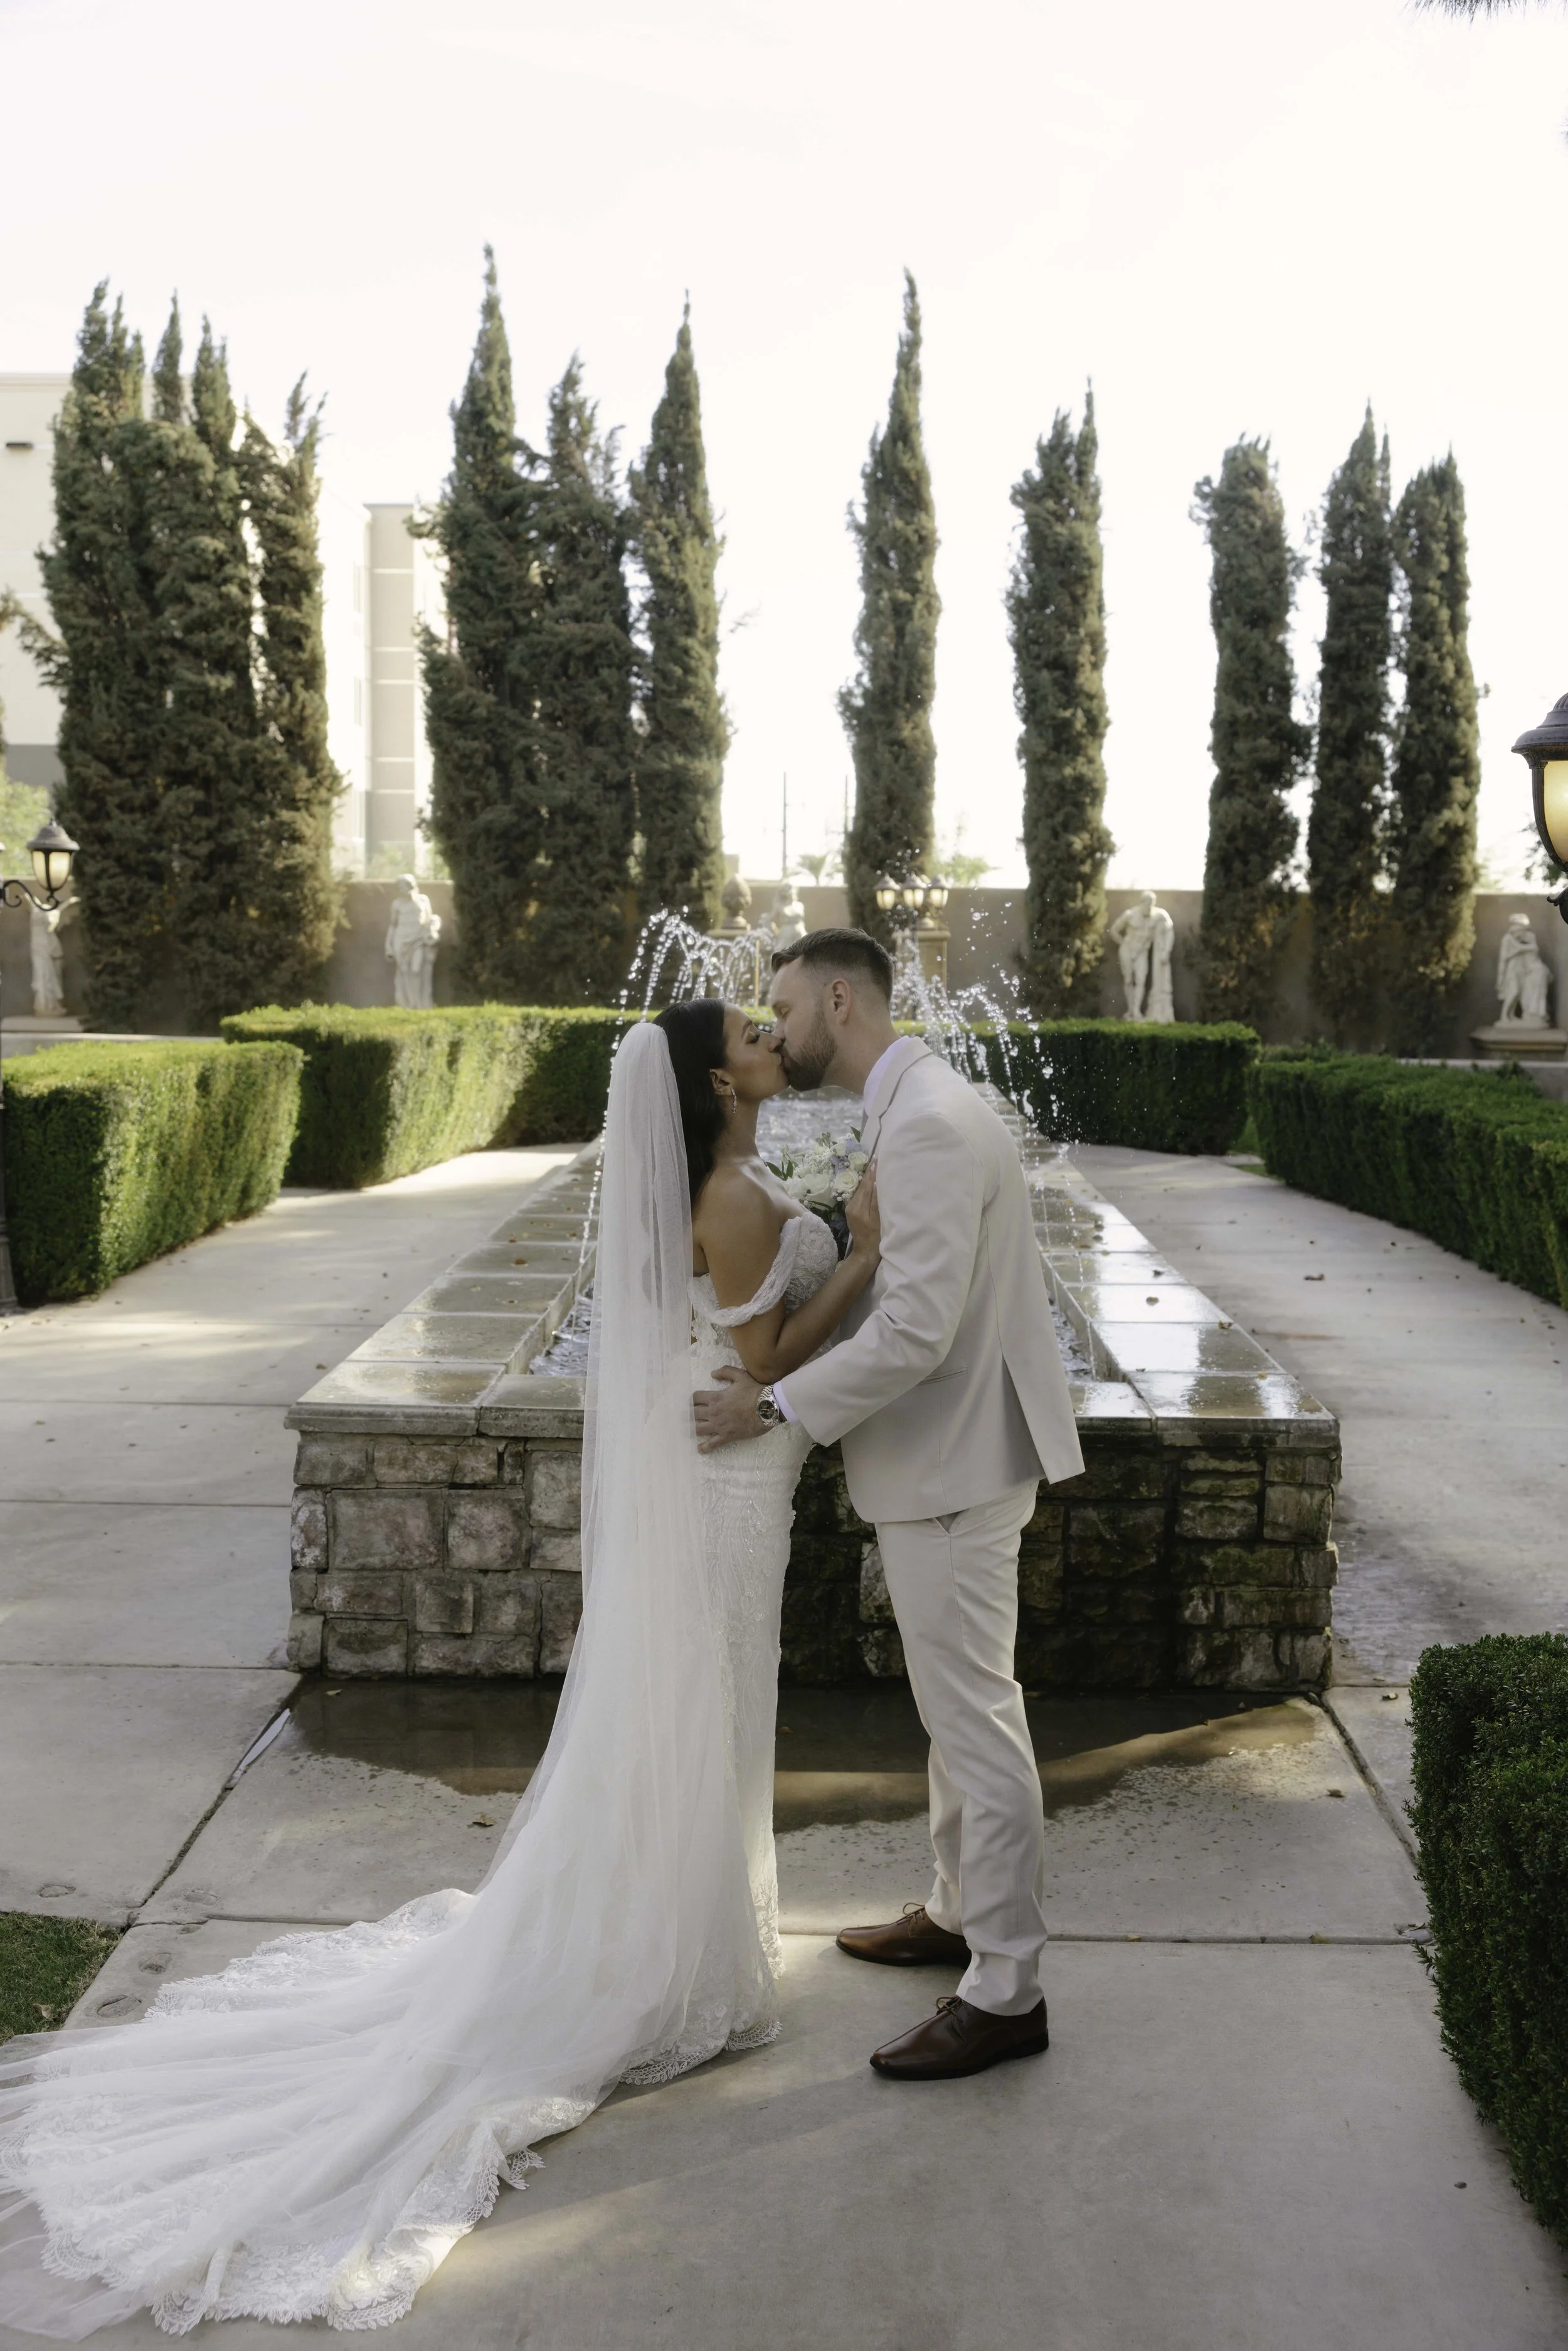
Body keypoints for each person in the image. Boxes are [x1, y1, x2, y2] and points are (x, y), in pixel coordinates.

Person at [0, 1011, 877, 2337]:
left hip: (721, 1482)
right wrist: (859, 1261)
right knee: (707, 1702)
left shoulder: (722, 1187)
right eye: (752, 1033)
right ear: (717, 1080)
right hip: (733, 1485)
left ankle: (682, 1929)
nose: (770, 1035)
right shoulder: (730, 1196)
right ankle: (680, 1955)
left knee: (693, 1706)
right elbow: (758, 1362)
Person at [696, 926, 1083, 2081]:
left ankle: (1007, 1986)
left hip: (954, 1467)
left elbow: (916, 1333)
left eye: (781, 1008)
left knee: (977, 1722)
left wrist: (776, 1410)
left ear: (838, 998)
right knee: (960, 1713)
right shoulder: (923, 1107)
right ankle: (959, 1911)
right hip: (957, 1459)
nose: (773, 1029)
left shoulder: (922, 1124)